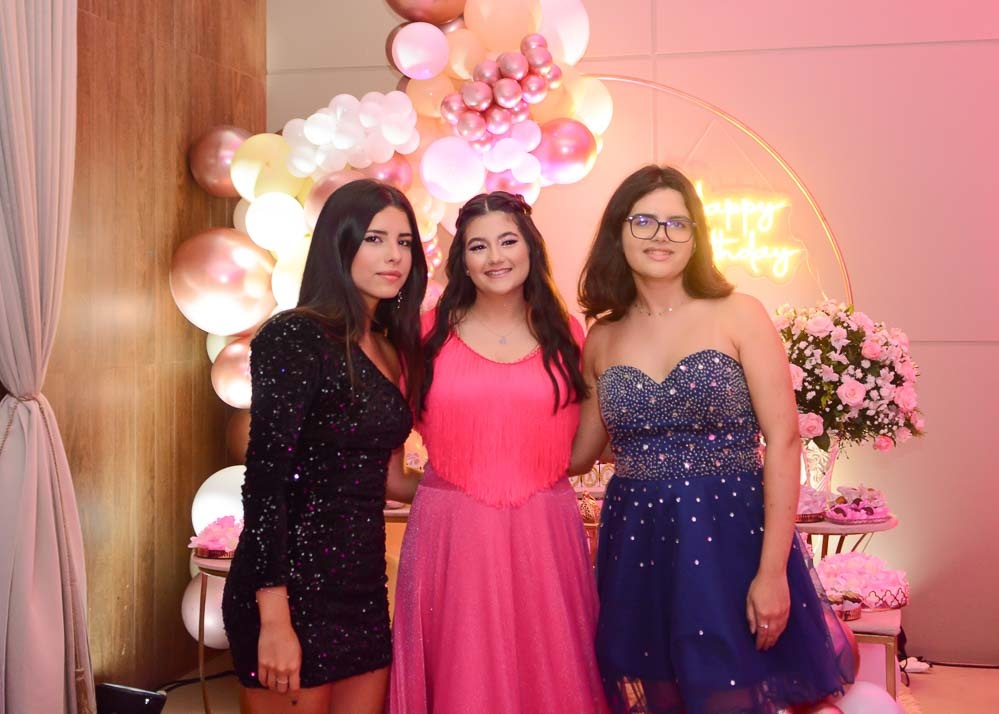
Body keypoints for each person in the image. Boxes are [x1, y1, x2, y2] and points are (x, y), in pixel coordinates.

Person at [570, 166, 854, 714]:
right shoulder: (602, 336)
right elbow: (580, 454)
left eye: (678, 223)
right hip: (639, 543)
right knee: (663, 696)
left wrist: (772, 573)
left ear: (697, 236)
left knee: (731, 695)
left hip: (730, 539)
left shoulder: (739, 314)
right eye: (644, 221)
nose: (661, 235)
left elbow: (784, 439)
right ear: (618, 230)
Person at [389, 191, 608, 713]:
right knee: (462, 673)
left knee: (551, 674)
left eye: (508, 241)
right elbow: (388, 469)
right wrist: (449, 492)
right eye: (478, 246)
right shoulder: (423, 334)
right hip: (451, 538)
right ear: (461, 260)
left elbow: (580, 454)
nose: (495, 257)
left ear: (531, 248)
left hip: (545, 533)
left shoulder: (567, 333)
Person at [222, 179, 427, 714]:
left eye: (404, 242)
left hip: (362, 586)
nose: (394, 255)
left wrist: (470, 485)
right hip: (289, 586)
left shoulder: (391, 350)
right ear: (340, 244)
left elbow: (388, 476)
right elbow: (264, 483)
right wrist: (274, 618)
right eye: (375, 238)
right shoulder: (294, 336)